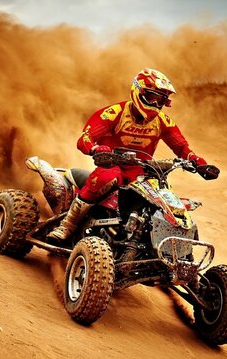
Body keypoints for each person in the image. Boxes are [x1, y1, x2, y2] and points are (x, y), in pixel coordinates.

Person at [47, 68, 218, 243]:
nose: (155, 103)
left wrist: (198, 162)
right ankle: (67, 226)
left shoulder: (163, 121)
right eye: (151, 97)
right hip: (111, 165)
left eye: (160, 99)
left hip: (141, 172)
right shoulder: (115, 113)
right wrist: (95, 149)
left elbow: (182, 147)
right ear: (138, 91)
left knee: (163, 196)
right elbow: (85, 139)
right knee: (105, 177)